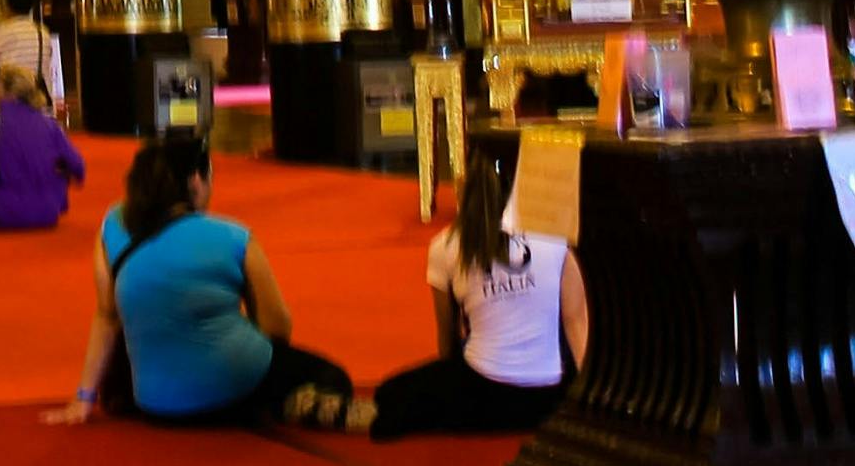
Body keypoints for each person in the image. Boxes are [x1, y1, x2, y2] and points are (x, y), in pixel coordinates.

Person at [47, 134, 350, 430]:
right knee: (332, 378)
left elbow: (107, 315)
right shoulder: (234, 236)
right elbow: (277, 327)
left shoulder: (112, 225)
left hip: (153, 403)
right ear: (195, 180)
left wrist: (84, 397)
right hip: (236, 384)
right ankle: (277, 404)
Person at [365, 141, 584, 438]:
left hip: (486, 392)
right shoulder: (554, 232)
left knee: (390, 393)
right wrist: (584, 395)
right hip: (550, 395)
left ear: (462, 183)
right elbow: (575, 321)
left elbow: (447, 339)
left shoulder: (447, 245)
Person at [0, 67, 86, 232]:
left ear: (7, 92)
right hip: (48, 212)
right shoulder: (49, 123)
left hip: (1, 212)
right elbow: (78, 166)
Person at [0, 0, 68, 119]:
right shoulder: (42, 31)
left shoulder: (4, 30)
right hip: (40, 99)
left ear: (8, 7)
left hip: (11, 98)